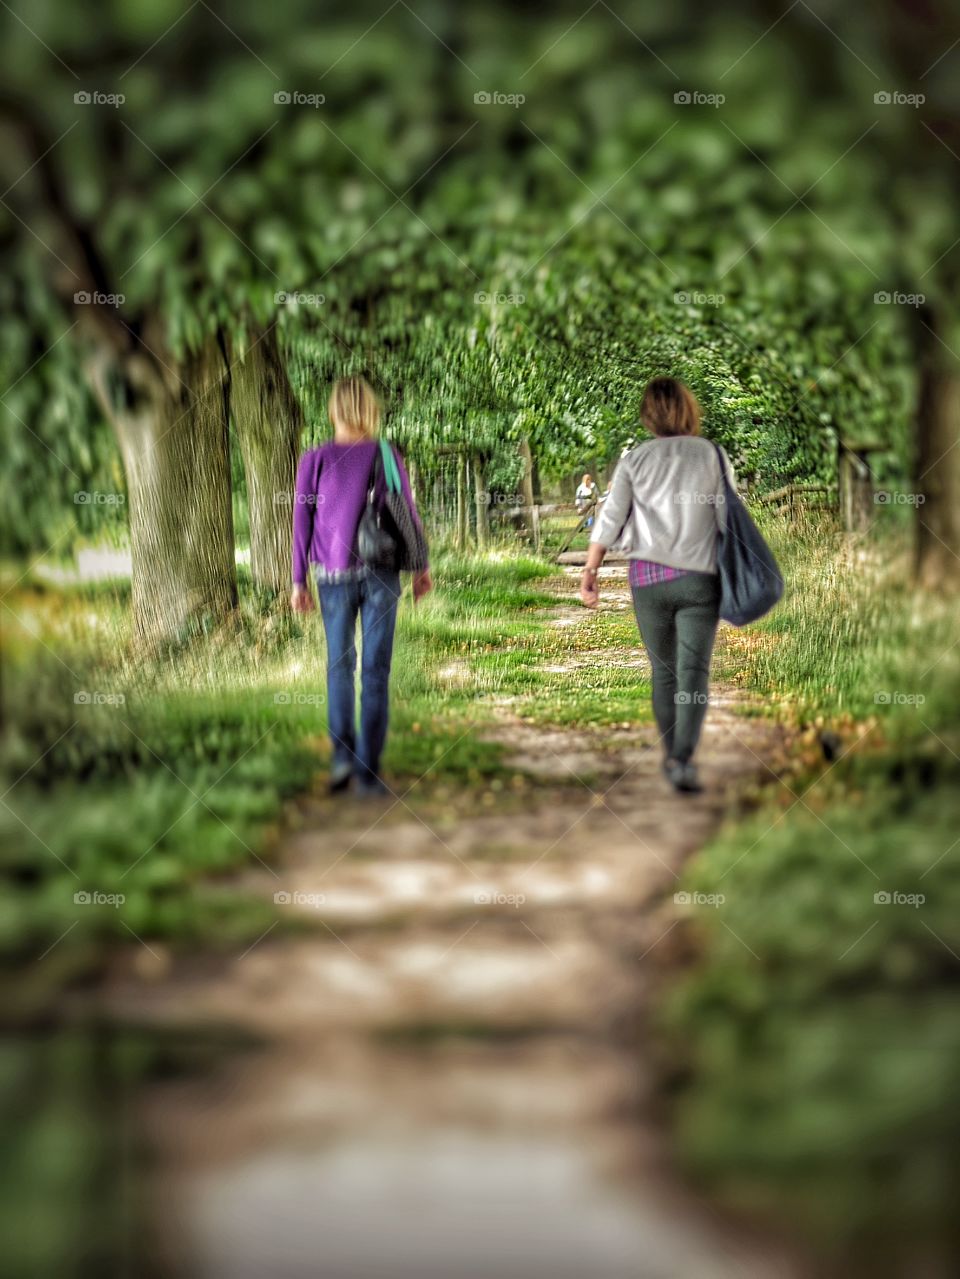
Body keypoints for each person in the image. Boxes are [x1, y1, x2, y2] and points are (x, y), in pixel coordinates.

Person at [580, 377, 733, 794]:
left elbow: (610, 518)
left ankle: (671, 755)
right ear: (689, 409)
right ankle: (683, 758)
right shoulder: (712, 455)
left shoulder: (635, 460)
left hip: (648, 579)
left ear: (648, 415)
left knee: (663, 673)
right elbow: (728, 521)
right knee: (694, 672)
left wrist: (591, 569)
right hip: (700, 579)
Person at [290, 376, 432, 797]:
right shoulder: (387, 455)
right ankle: (367, 774)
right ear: (370, 409)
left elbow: (302, 524)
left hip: (331, 578)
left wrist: (298, 579)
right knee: (374, 673)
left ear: (333, 410)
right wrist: (421, 568)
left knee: (339, 668)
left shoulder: (312, 460)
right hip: (381, 574)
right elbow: (407, 512)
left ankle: (340, 761)